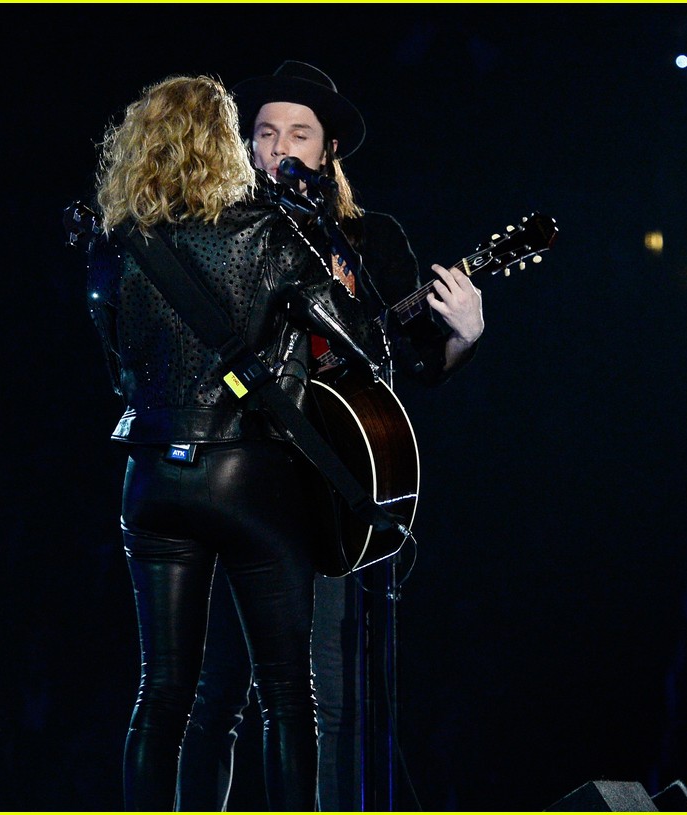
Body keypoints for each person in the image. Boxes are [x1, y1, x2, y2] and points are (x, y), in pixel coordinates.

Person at [175, 61, 486, 812]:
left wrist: (462, 338)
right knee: (216, 690)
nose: (279, 144)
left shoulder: (370, 241)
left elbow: (406, 367)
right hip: (239, 475)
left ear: (327, 151)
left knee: (329, 693)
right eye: (265, 132)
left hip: (329, 484)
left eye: (298, 133)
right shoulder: (226, 236)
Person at [84, 74, 386, 812]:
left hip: (152, 479)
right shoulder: (267, 232)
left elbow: (121, 370)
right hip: (246, 478)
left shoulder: (117, 246)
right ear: (227, 143)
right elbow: (358, 347)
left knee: (162, 694)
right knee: (287, 693)